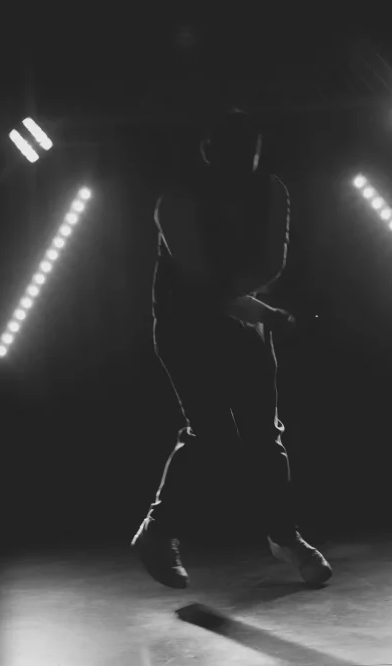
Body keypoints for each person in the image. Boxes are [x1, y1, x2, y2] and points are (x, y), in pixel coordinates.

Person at [131, 110, 332, 589]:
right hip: (185, 329)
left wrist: (251, 312)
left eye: (252, 152)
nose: (246, 163)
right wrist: (259, 312)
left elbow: (269, 262)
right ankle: (157, 533)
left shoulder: (272, 191)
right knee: (211, 436)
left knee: (264, 437)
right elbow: (200, 281)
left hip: (241, 325)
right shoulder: (176, 201)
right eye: (235, 153)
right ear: (209, 152)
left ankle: (285, 538)